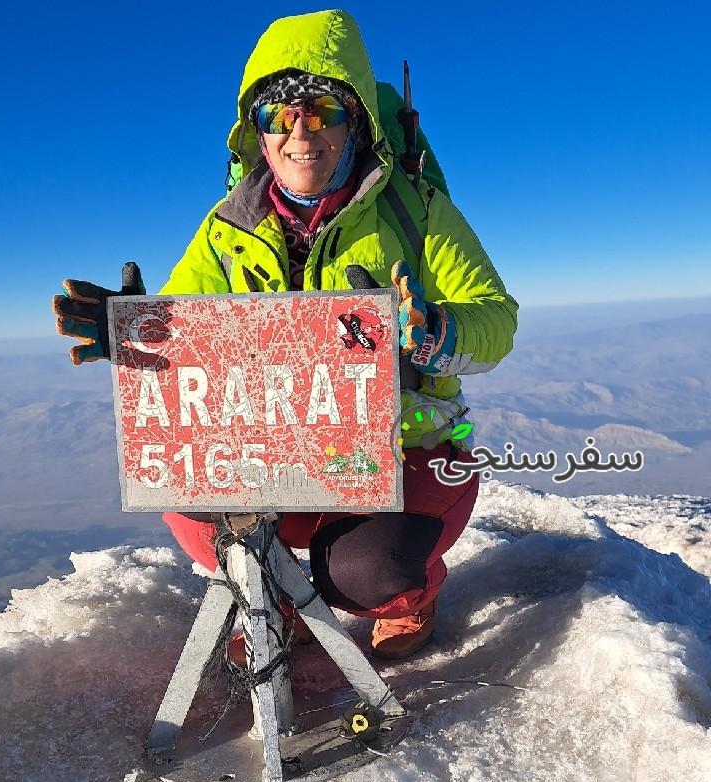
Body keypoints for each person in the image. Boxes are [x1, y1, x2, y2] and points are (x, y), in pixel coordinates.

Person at [53, 9, 517, 660]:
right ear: (258, 135)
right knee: (198, 506)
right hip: (283, 449)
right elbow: (195, 327)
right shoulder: (227, 230)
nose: (301, 131)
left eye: (322, 109)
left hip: (409, 450)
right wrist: (140, 334)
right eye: (278, 115)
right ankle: (279, 608)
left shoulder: (417, 213)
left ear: (356, 120)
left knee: (365, 572)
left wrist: (435, 333)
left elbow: (495, 315)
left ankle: (408, 596)